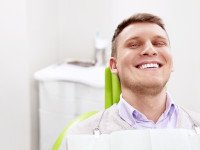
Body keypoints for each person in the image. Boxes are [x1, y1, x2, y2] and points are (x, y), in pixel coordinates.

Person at [59, 13, 200, 149]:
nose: (150, 50)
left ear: (171, 63)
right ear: (114, 65)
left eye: (159, 43)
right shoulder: (80, 139)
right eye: (134, 44)